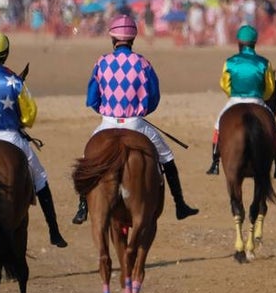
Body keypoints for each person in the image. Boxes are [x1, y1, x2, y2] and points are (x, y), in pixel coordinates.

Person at [73, 14, 199, 224]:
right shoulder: (143, 63)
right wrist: (140, 111)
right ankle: (180, 205)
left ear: (113, 38)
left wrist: (107, 110)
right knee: (167, 157)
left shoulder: (101, 62)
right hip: (136, 124)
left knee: (87, 160)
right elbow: (154, 97)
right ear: (133, 39)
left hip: (107, 123)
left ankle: (82, 207)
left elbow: (92, 98)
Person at [0, 31, 67, 248]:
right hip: (11, 136)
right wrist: (18, 120)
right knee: (40, 177)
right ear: (6, 53)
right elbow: (30, 116)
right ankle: (54, 230)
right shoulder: (15, 81)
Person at [205, 24, 276, 179]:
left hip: (234, 99)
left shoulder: (230, 61)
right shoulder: (264, 62)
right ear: (254, 43)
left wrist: (233, 94)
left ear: (239, 43)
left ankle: (215, 163)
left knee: (218, 126)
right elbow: (269, 88)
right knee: (274, 128)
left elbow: (224, 84)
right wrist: (261, 96)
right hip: (257, 100)